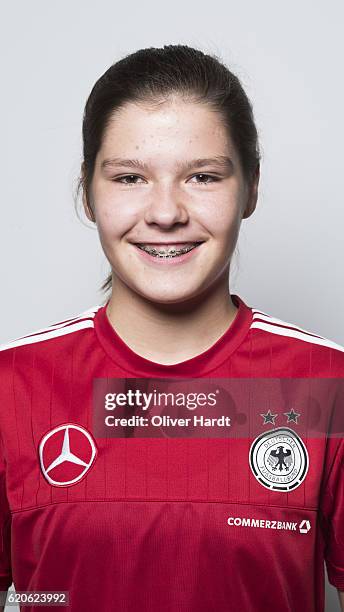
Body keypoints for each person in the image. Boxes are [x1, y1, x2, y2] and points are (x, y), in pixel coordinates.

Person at [0, 44, 343, 612]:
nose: (165, 213)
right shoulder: (12, 388)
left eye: (202, 176)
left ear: (251, 187)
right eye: (130, 178)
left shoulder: (324, 385)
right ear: (88, 192)